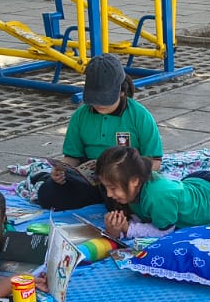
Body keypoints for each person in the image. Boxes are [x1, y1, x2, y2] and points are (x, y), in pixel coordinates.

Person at [37, 54, 165, 211]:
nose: (99, 104)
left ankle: (112, 200)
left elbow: (155, 162)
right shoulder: (80, 115)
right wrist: (62, 171)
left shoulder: (139, 115)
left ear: (121, 91)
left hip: (125, 181)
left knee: (147, 198)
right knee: (46, 194)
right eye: (95, 98)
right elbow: (72, 156)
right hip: (91, 181)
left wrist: (126, 177)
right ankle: (107, 200)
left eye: (105, 98)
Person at [94, 145, 210, 238]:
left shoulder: (157, 196)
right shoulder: (134, 189)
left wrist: (127, 229)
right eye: (106, 187)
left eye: (113, 188)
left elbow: (163, 231)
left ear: (135, 181)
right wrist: (117, 229)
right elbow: (144, 217)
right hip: (200, 183)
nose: (108, 194)